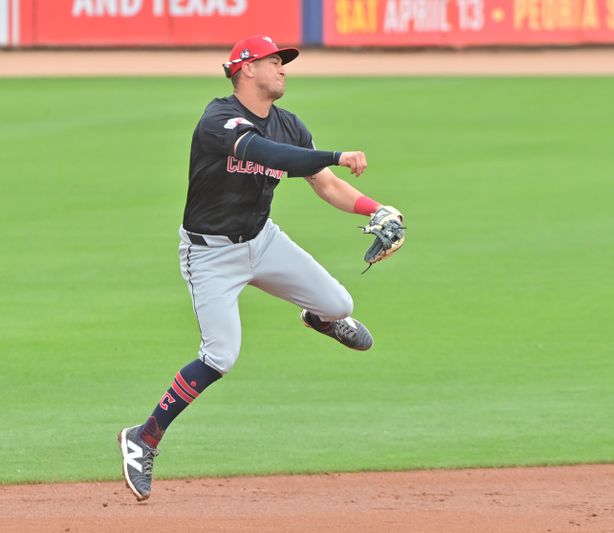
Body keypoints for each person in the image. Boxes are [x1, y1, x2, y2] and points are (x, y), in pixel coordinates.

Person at [118, 35, 403, 501]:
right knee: (220, 355)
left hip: (263, 240)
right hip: (209, 255)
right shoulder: (218, 120)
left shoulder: (289, 124)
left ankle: (316, 315)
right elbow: (272, 157)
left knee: (340, 303)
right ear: (246, 68)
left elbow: (327, 186)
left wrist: (376, 207)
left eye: (284, 62)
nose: (284, 68)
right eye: (275, 61)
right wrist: (335, 153)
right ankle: (143, 437)